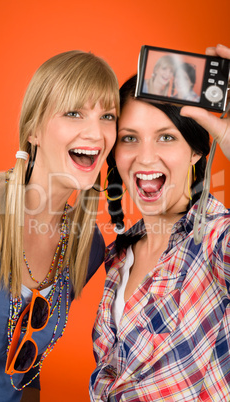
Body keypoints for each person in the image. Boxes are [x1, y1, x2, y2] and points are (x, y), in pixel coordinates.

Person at [0, 50, 119, 401]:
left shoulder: (86, 245)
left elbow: (28, 361)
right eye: (74, 113)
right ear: (32, 129)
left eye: (107, 116)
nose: (95, 132)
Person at [90, 44, 230, 401]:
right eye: (129, 139)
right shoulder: (118, 256)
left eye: (166, 137)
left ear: (196, 150)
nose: (146, 156)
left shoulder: (215, 238)